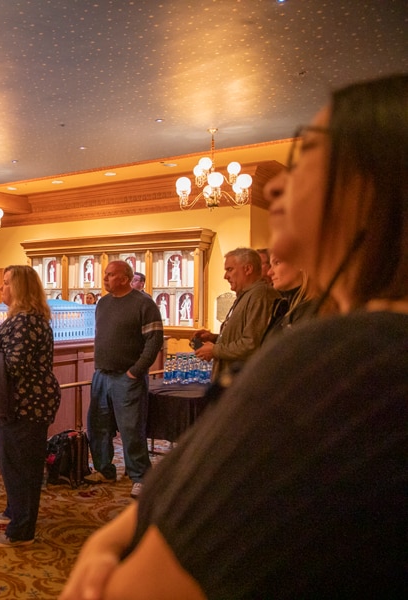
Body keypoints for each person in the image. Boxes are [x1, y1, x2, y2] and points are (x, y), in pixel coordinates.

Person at [60, 73, 408, 600]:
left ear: (371, 187)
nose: (275, 186)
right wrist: (116, 533)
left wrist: (108, 551)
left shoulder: (346, 358)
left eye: (308, 158)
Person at [0, 265, 61, 547]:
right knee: (13, 461)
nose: (1, 287)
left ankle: (22, 530)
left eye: (7, 282)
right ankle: (15, 510)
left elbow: (14, 365)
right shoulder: (23, 319)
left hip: (25, 403)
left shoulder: (26, 321)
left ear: (21, 288)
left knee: (22, 466)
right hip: (15, 401)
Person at [86, 261, 163, 498]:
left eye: (110, 275)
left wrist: (135, 371)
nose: (105, 278)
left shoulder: (144, 304)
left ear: (124, 278)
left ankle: (140, 476)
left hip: (127, 377)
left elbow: (154, 341)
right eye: (105, 274)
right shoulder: (103, 303)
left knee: (131, 430)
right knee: (98, 426)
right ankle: (104, 469)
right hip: (102, 374)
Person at [192, 248, 279, 385]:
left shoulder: (260, 295)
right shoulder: (247, 295)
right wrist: (215, 338)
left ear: (248, 269)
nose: (225, 276)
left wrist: (215, 350)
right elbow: (243, 336)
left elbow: (251, 344)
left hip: (246, 382)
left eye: (230, 269)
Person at [261, 252, 317, 343]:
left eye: (277, 263)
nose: (269, 272)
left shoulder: (313, 309)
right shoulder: (283, 305)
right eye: (271, 265)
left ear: (300, 263)